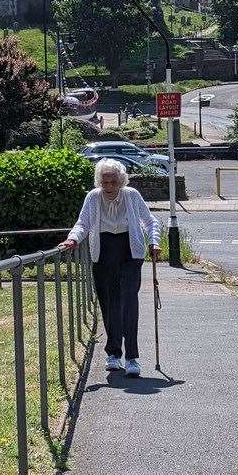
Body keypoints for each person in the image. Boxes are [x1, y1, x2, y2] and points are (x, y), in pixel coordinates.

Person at [59, 158, 161, 378]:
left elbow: (150, 221)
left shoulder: (131, 195)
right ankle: (113, 353)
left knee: (129, 303)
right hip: (103, 252)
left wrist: (154, 241)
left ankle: (132, 357)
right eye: (105, 182)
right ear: (99, 182)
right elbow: (83, 223)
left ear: (121, 180)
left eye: (113, 182)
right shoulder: (93, 197)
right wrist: (73, 240)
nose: (109, 186)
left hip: (129, 251)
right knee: (109, 304)